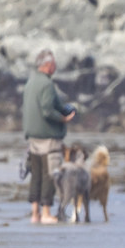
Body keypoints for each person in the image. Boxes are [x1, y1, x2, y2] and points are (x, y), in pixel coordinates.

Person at [22, 48, 75, 224]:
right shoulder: (46, 84)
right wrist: (64, 118)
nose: (55, 67)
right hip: (48, 138)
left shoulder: (31, 82)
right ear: (48, 65)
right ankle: (46, 213)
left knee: (35, 174)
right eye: (53, 63)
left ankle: (35, 213)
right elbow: (46, 109)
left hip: (33, 138)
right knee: (49, 175)